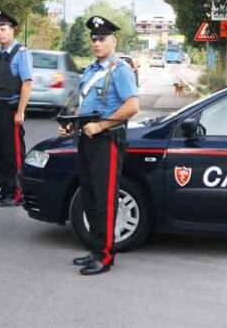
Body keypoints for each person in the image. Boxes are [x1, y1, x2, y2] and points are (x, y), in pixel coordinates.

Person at [59, 15, 139, 276]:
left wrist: (102, 125)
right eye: (94, 38)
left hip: (106, 141)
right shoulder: (92, 70)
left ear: (113, 41)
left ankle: (104, 255)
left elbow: (132, 106)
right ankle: (95, 248)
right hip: (86, 138)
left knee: (104, 198)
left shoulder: (120, 70)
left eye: (102, 38)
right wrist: (72, 125)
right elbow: (84, 104)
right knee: (90, 195)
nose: (96, 43)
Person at [0, 10, 33, 207]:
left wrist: (20, 111)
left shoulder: (21, 53)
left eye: (3, 29)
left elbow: (27, 83)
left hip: (11, 110)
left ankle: (18, 192)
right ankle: (4, 188)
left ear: (12, 30)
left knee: (14, 153)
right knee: (0, 152)